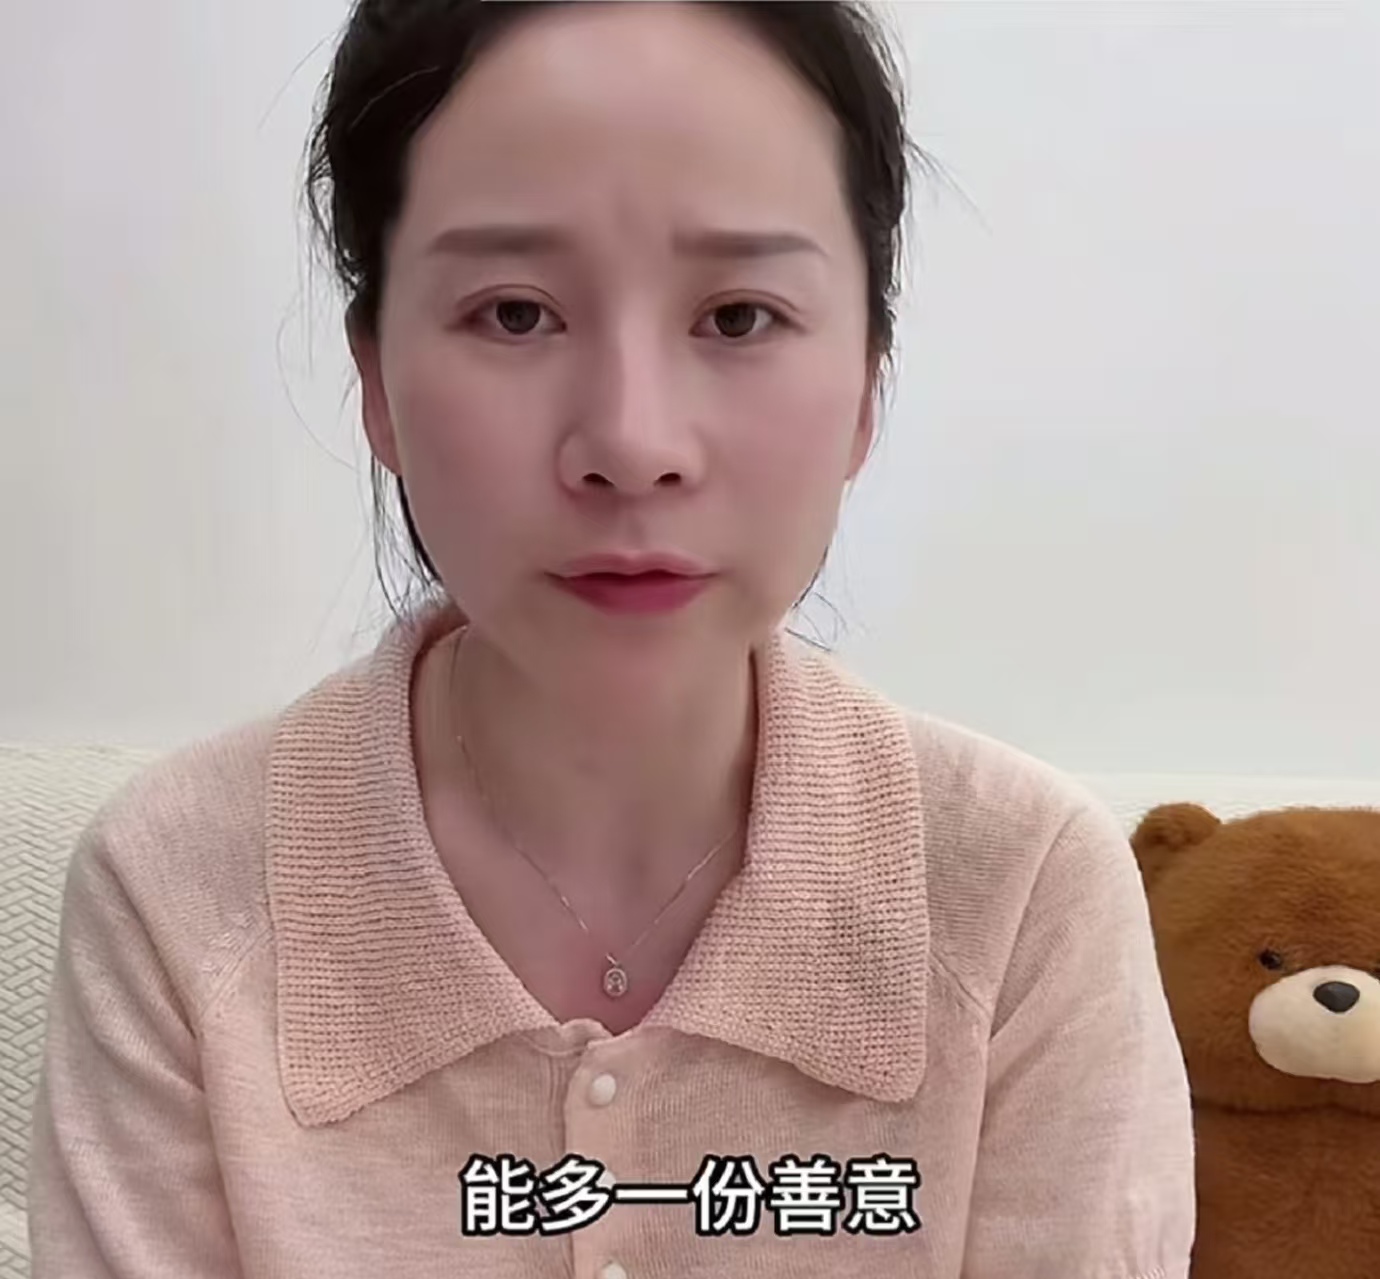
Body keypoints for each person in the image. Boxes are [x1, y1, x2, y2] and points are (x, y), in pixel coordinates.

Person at [27, 2, 1195, 1276]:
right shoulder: (179, 892)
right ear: (376, 382)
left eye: (738, 316)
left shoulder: (1021, 894)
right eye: (515, 314)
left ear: (868, 381)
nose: (633, 443)